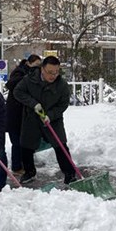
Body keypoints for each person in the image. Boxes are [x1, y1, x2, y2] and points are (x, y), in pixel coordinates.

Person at [13, 55, 77, 185]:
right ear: (42, 69)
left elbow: (63, 104)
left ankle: (70, 174)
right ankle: (29, 172)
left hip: (53, 120)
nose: (53, 75)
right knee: (26, 146)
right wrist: (33, 103)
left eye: (56, 72)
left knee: (60, 146)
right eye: (50, 72)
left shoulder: (62, 85)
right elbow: (17, 92)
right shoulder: (29, 80)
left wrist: (51, 115)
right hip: (32, 118)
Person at [5, 54, 42, 175]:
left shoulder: (34, 76)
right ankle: (16, 167)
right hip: (14, 113)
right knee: (16, 141)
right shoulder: (19, 72)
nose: (37, 69)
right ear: (28, 63)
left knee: (24, 140)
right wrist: (28, 76)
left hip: (25, 114)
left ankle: (24, 164)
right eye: (36, 65)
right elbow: (10, 84)